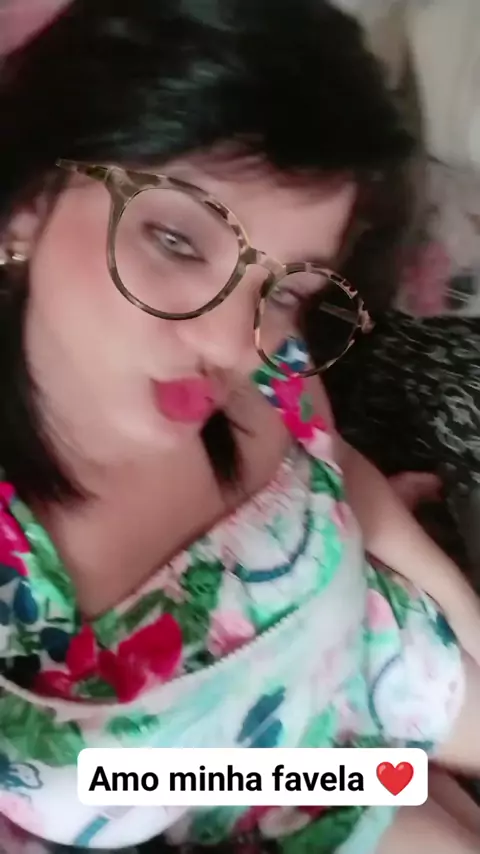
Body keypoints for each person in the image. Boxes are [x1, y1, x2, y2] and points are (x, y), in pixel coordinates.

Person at [1, 2, 480, 852]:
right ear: (28, 204)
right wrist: (378, 786)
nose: (233, 345)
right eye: (177, 242)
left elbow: (340, 475)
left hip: (383, 658)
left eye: (288, 289)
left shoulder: (275, 363)